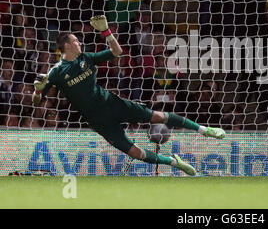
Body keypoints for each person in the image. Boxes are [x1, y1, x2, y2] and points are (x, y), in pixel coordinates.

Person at [32, 15, 226, 176]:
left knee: (157, 116)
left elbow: (117, 51)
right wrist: (38, 90)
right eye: (75, 40)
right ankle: (174, 163)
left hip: (112, 103)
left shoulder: (86, 58)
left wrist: (106, 31)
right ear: (66, 45)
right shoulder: (56, 72)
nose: (79, 42)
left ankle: (204, 129)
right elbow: (37, 100)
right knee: (136, 153)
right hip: (97, 120)